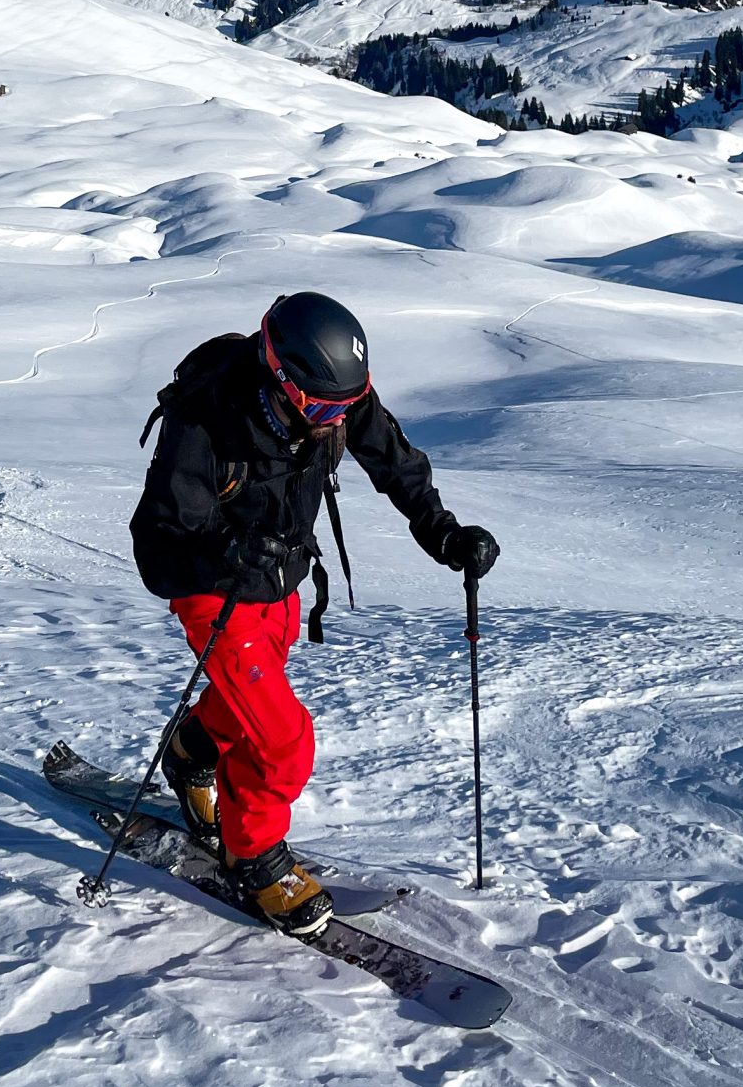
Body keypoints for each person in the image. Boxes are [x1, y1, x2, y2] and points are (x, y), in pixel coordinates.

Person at [130, 290, 499, 938]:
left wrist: (442, 532)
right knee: (281, 740)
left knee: (250, 702)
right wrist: (226, 551)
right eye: (324, 407)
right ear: (281, 379)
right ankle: (254, 858)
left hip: (280, 584)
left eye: (347, 406)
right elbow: (158, 550)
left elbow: (395, 462)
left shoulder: (335, 401)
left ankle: (192, 752)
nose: (338, 421)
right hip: (215, 594)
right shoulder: (206, 420)